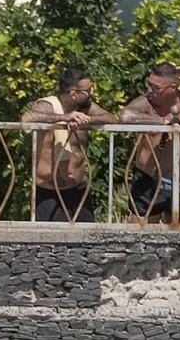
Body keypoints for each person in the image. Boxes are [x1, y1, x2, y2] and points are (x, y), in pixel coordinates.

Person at [120, 62, 180, 222]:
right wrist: (161, 123)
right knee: (140, 234)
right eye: (148, 84)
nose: (149, 90)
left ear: (173, 87)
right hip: (149, 178)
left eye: (155, 87)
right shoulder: (146, 102)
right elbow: (125, 116)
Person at [20, 65, 112, 222]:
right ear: (73, 94)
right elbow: (26, 119)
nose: (92, 93)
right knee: (49, 242)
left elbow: (111, 119)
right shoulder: (48, 105)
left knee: (86, 239)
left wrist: (89, 120)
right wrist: (63, 118)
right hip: (49, 191)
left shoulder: (86, 108)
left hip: (77, 189)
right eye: (88, 90)